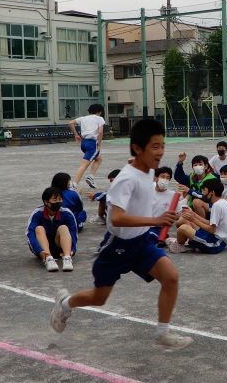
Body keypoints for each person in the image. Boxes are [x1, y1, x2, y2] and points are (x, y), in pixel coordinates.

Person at [50, 118, 193, 350]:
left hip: (141, 243)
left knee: (171, 277)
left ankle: (162, 333)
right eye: (155, 146)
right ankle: (65, 304)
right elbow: (116, 217)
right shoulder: (125, 179)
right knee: (100, 298)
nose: (161, 152)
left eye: (162, 145)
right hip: (117, 246)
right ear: (138, 148)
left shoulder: (147, 169)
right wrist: (156, 220)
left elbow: (139, 172)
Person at [174, 178, 227, 254]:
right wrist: (193, 214)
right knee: (184, 220)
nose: (203, 193)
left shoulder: (217, 206)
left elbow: (211, 229)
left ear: (212, 192)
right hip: (216, 238)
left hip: (215, 243)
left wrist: (193, 219)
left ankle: (181, 245)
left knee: (183, 228)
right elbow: (210, 222)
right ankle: (189, 242)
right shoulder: (223, 202)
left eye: (204, 190)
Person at [26, 187, 78, 272]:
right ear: (46, 202)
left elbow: (73, 233)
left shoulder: (66, 213)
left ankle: (67, 258)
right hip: (42, 249)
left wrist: (73, 249)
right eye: (54, 200)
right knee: (39, 228)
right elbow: (30, 234)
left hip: (60, 247)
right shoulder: (37, 213)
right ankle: (48, 259)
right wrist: (39, 250)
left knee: (64, 228)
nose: (58, 202)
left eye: (60, 199)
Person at [68, 103, 105, 189]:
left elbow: (70, 123)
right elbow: (100, 132)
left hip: (84, 143)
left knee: (98, 158)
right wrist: (99, 144)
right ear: (99, 111)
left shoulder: (83, 118)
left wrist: (76, 135)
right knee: (84, 165)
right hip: (92, 143)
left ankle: (91, 177)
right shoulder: (99, 119)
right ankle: (74, 185)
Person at [149, 166, 183, 244]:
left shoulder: (174, 195)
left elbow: (179, 214)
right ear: (156, 178)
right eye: (162, 177)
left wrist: (174, 217)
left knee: (149, 238)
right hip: (144, 224)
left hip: (158, 228)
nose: (165, 180)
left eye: (167, 178)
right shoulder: (148, 190)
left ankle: (162, 238)